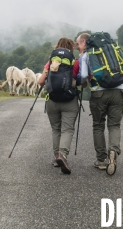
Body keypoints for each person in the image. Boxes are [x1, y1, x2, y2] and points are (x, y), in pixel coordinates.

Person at [76, 32, 123, 176]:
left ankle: (101, 160)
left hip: (98, 93)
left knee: (98, 125)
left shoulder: (87, 55)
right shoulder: (114, 51)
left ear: (85, 42)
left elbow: (82, 76)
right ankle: (113, 150)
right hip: (118, 92)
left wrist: (84, 82)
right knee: (114, 125)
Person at [37, 37, 80, 174]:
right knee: (67, 129)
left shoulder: (50, 62)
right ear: (71, 48)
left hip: (52, 100)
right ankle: (63, 155)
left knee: (56, 129)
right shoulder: (75, 62)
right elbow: (83, 82)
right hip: (69, 100)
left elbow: (40, 81)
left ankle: (56, 158)